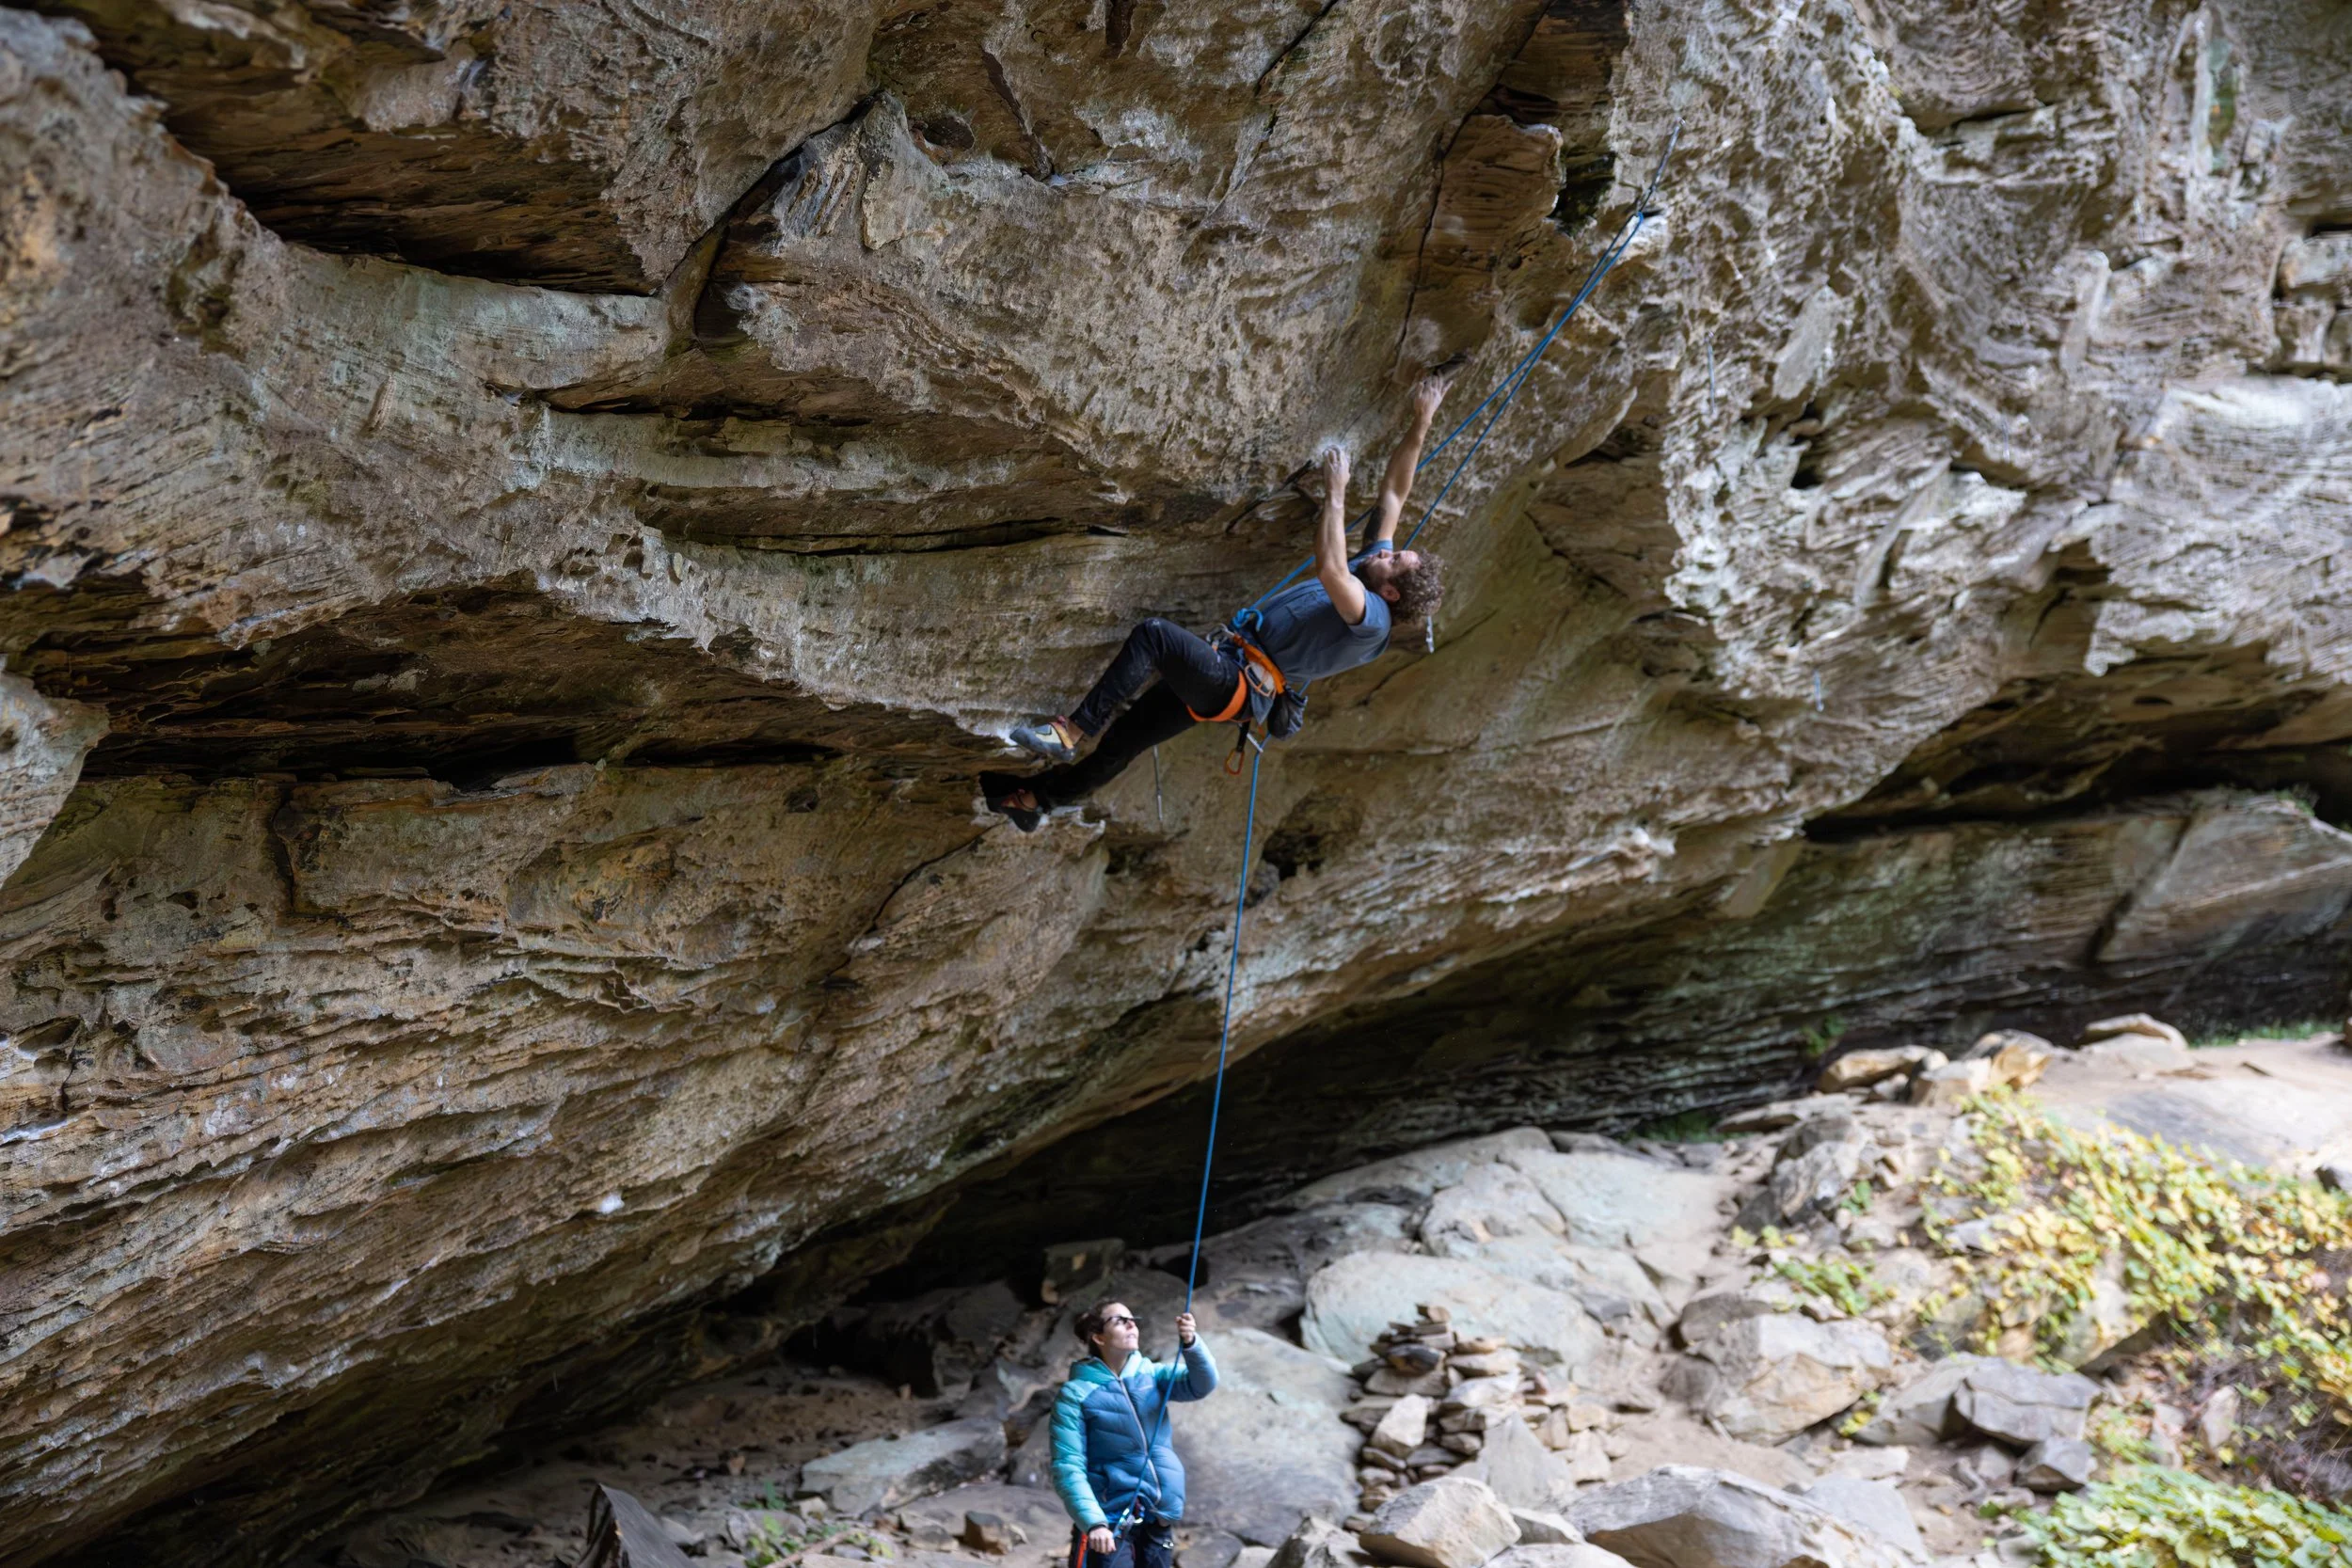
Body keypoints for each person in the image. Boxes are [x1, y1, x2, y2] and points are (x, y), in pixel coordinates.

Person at [982, 377, 1452, 831]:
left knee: (1154, 636)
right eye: (1390, 551)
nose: (1384, 552)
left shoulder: (1372, 621)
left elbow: (1331, 570)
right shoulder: (1375, 570)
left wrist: (1336, 491)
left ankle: (1069, 732)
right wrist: (1422, 419)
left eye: (1392, 561)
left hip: (1236, 683)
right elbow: (1394, 493)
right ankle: (1038, 801)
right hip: (1227, 666)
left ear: (1391, 593)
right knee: (1123, 744)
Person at [1049, 1302, 1216, 1568]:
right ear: (1098, 1337)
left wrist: (1191, 1344)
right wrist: (1094, 1523)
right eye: (1119, 1320)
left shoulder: (1152, 1374)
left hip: (1158, 1516)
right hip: (1109, 1524)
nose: (1131, 1324)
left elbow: (1202, 1384)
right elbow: (1068, 1466)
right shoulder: (1075, 1395)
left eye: (1133, 1319)